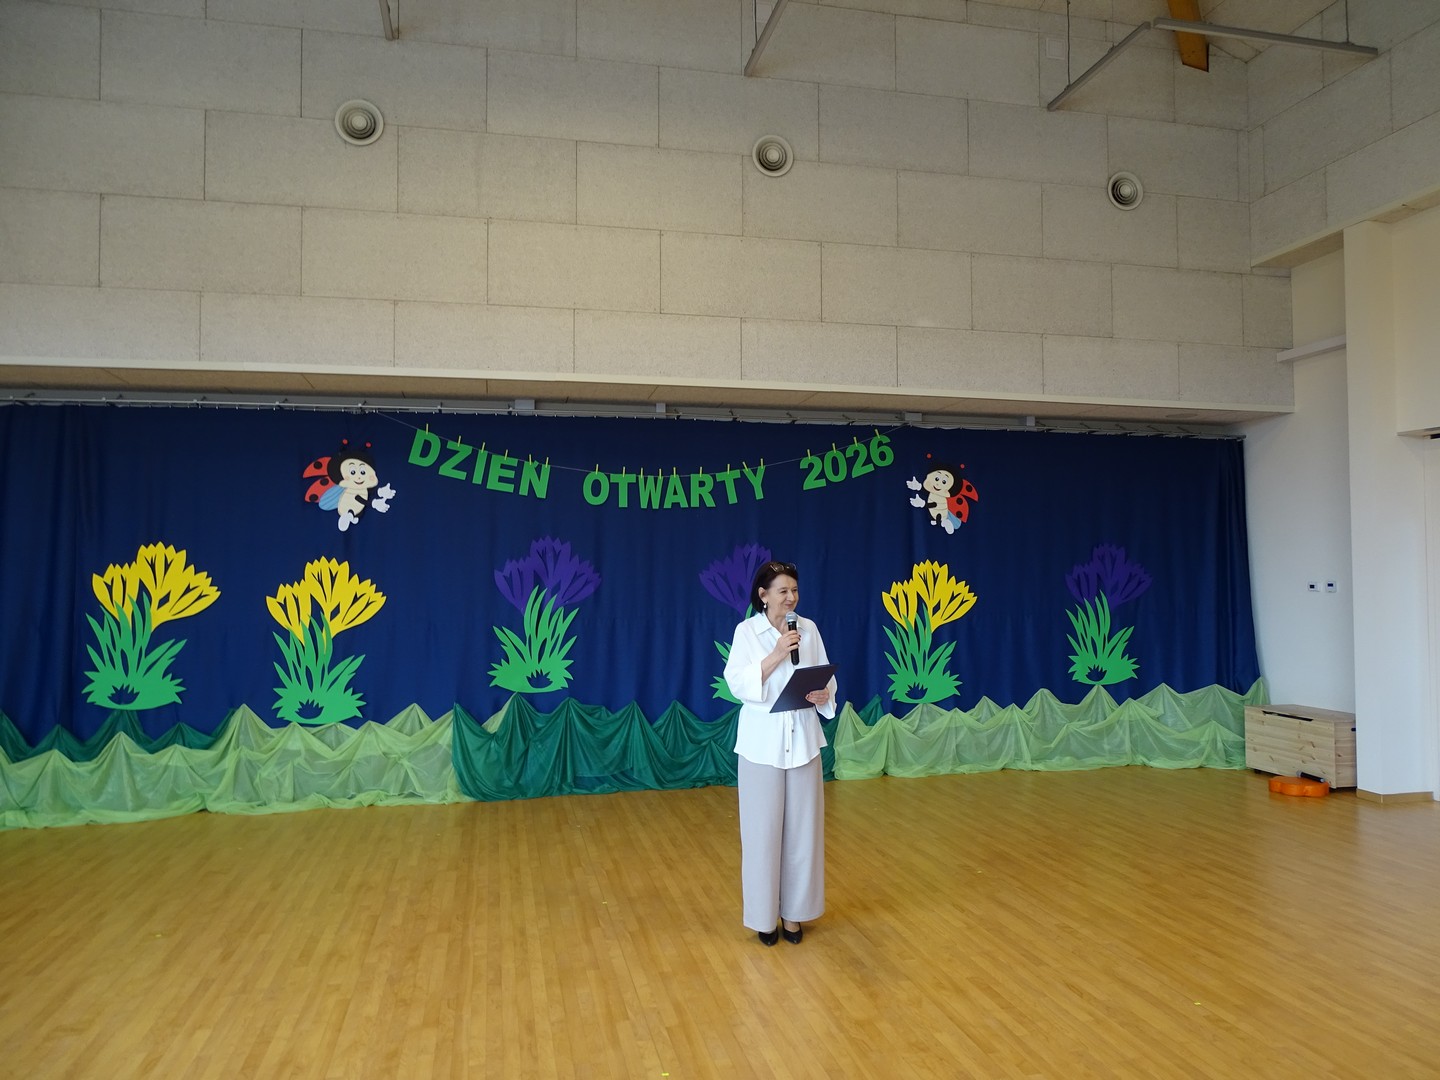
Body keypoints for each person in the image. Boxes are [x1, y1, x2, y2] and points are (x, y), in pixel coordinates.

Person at [723, 560, 838, 946]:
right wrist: (776, 653)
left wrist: (824, 694)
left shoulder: (809, 629)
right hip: (761, 745)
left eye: (795, 590)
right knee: (762, 835)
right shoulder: (747, 632)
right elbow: (737, 683)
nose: (791, 598)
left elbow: (826, 676)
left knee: (804, 834)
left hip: (803, 741)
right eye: (783, 591)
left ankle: (794, 915)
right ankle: (763, 918)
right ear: (764, 595)